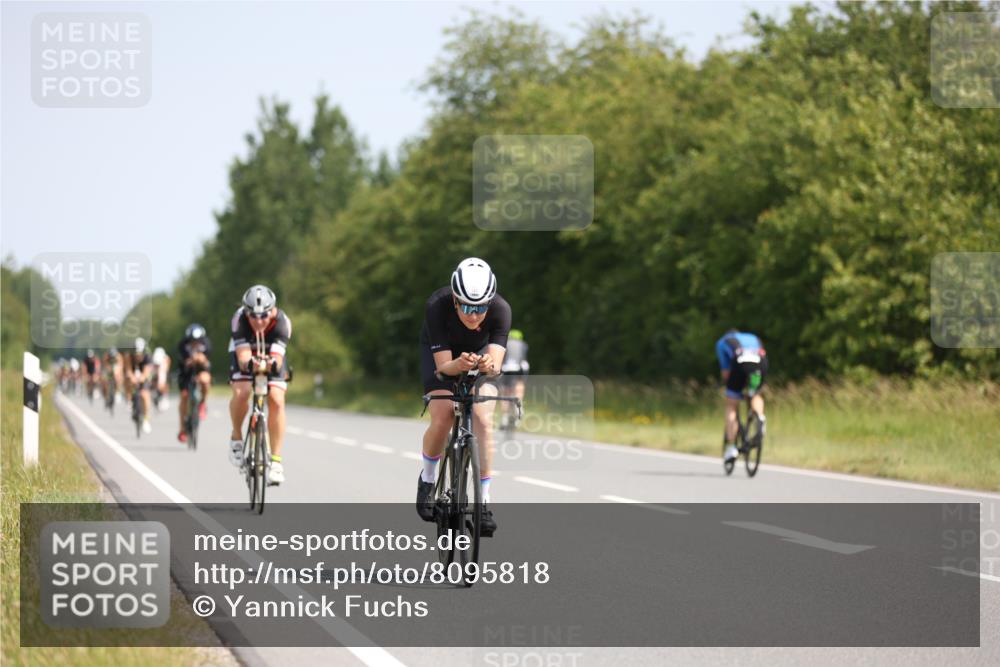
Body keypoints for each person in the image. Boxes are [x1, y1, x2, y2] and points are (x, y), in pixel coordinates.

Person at [416, 257, 510, 537]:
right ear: (455, 300)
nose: (474, 315)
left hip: (478, 354)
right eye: (467, 307)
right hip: (442, 355)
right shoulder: (437, 305)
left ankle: (484, 502)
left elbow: (495, 366)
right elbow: (443, 368)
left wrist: (488, 366)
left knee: (483, 419)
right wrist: (457, 365)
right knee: (444, 414)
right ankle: (428, 479)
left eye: (480, 308)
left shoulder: (501, 310)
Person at [227, 285, 292, 485]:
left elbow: (277, 359)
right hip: (246, 350)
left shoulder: (283, 322)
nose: (258, 321)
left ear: (272, 310)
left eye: (264, 316)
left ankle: (276, 462)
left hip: (271, 351)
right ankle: (236, 437)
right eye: (253, 316)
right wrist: (250, 364)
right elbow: (243, 356)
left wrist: (272, 364)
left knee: (277, 400)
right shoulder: (239, 320)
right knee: (242, 392)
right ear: (245, 312)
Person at [716, 329, 767, 463]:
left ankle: (731, 448)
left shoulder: (723, 342)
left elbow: (726, 373)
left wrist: (730, 388)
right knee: (755, 394)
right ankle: (760, 418)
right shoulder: (753, 337)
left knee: (732, 405)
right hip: (760, 363)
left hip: (740, 363)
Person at [177, 323, 212, 443]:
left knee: (205, 380)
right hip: (186, 372)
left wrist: (202, 360)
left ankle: (202, 403)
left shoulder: (206, 344)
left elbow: (207, 362)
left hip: (201, 369)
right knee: (184, 397)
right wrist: (193, 359)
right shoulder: (182, 345)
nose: (195, 343)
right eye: (192, 340)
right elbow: (184, 363)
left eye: (197, 340)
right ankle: (182, 429)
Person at [498, 328, 529, 430]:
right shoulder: (524, 345)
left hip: (506, 369)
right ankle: (519, 408)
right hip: (520, 369)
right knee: (519, 389)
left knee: (505, 394)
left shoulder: (505, 344)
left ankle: (504, 418)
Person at [127, 337, 154, 434]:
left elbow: (147, 371)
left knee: (145, 394)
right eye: (136, 353)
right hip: (134, 373)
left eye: (139, 353)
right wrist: (132, 377)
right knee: (128, 382)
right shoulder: (129, 356)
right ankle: (130, 401)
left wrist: (141, 378)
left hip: (144, 374)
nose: (137, 355)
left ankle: (146, 419)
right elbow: (128, 370)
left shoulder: (147, 356)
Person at [151, 346, 171, 411]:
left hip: (162, 372)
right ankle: (155, 396)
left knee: (163, 384)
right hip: (154, 373)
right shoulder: (152, 360)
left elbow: (165, 372)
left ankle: (164, 397)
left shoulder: (166, 360)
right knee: (154, 383)